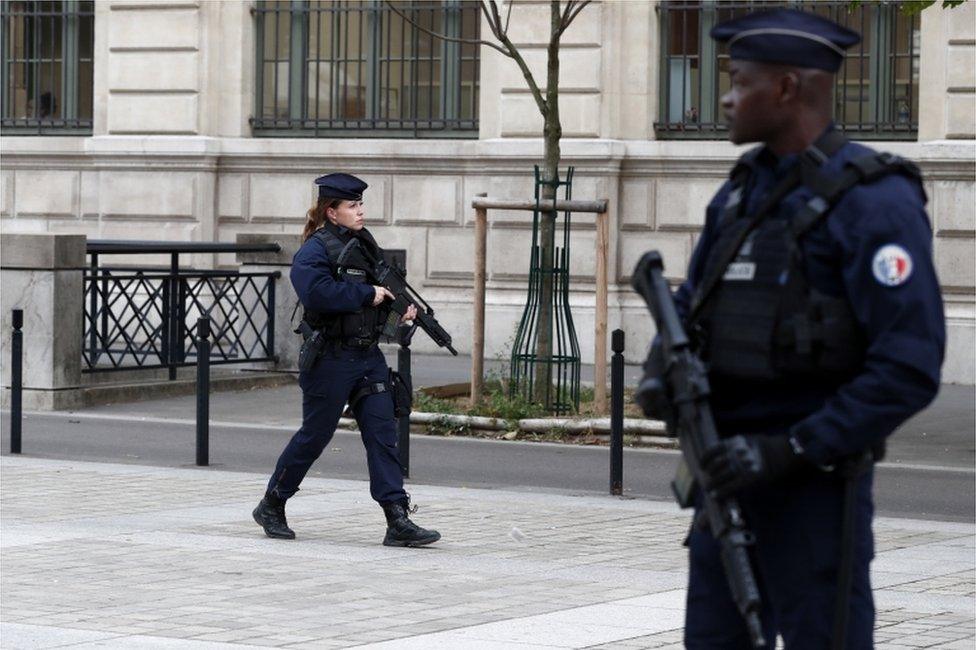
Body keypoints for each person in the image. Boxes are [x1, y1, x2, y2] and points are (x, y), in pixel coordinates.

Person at [661, 8, 946, 649]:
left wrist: (789, 448)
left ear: (787, 88)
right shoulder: (738, 194)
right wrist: (661, 375)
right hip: (724, 487)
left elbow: (908, 366)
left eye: (738, 81)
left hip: (816, 500)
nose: (727, 99)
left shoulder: (874, 201)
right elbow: (691, 308)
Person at [253, 172, 441, 548]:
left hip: (366, 356)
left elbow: (382, 292)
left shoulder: (364, 245)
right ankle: (272, 503)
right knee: (315, 435)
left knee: (382, 433)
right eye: (352, 205)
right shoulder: (314, 250)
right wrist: (365, 294)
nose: (360, 211)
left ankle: (397, 518)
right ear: (331, 211)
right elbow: (317, 293)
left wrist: (398, 312)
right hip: (330, 359)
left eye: (360, 204)